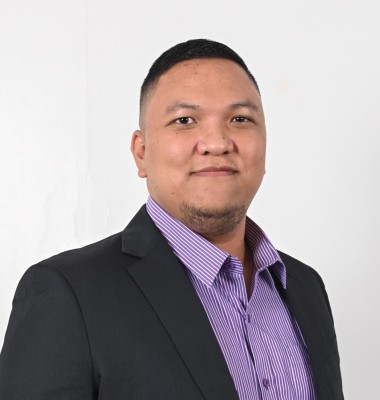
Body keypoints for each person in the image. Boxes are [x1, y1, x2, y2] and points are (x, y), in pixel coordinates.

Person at [0, 39, 344, 399]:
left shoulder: (305, 286)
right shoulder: (68, 293)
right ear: (141, 153)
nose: (217, 142)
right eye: (184, 120)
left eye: (240, 119)